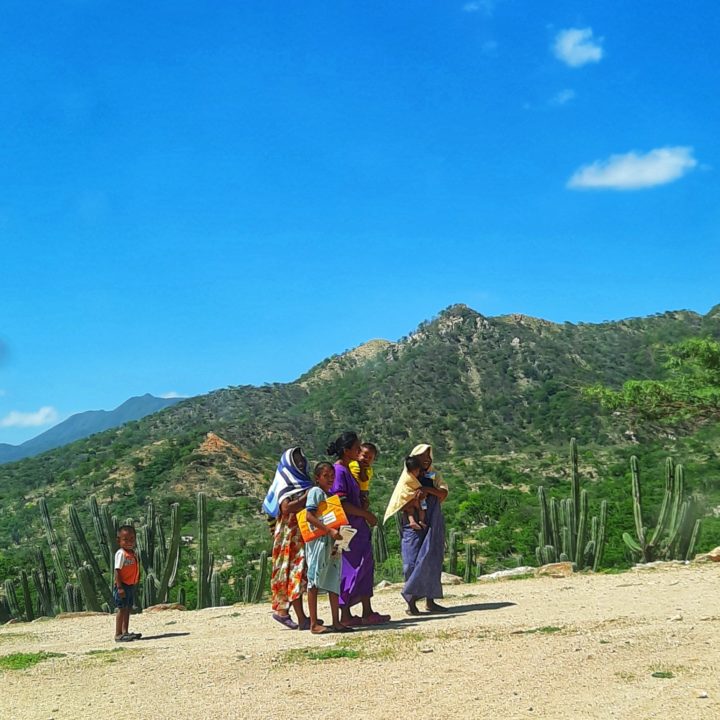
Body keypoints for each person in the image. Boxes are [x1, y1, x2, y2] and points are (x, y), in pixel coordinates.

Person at [328, 431, 391, 626]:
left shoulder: (348, 470)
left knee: (364, 565)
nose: (359, 451)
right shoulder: (339, 471)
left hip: (357, 528)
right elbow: (341, 501)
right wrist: (366, 515)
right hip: (348, 528)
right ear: (347, 451)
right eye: (357, 448)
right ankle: (345, 613)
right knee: (349, 568)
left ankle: (367, 611)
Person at [384, 443, 449, 616]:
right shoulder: (408, 477)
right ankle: (411, 601)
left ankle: (430, 600)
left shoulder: (434, 475)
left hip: (432, 519)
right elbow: (402, 500)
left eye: (429, 456)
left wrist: (427, 489)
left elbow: (443, 493)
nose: (427, 459)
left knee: (432, 559)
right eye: (423, 456)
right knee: (411, 562)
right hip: (411, 524)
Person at [264, 447, 313, 630]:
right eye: (297, 460)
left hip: (302, 534)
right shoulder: (285, 481)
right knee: (295, 574)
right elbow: (286, 508)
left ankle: (286, 613)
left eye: (302, 459)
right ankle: (300, 618)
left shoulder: (303, 481)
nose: (301, 463)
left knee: (296, 575)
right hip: (290, 537)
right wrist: (306, 497)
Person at [304, 462, 354, 634]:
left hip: (331, 543)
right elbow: (309, 516)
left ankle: (336, 621)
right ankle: (313, 623)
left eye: (332, 476)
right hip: (319, 542)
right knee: (314, 581)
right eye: (326, 476)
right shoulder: (315, 492)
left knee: (333, 581)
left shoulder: (330, 496)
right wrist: (328, 530)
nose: (330, 479)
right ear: (317, 478)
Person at [114, 525, 141, 642]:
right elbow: (117, 571)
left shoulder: (132, 553)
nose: (129, 542)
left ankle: (125, 632)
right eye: (125, 540)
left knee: (127, 608)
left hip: (129, 585)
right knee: (121, 609)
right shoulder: (121, 553)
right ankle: (118, 634)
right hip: (122, 585)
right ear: (118, 540)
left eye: (131, 539)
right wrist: (119, 587)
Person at [349, 442, 378, 510]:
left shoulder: (368, 469)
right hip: (351, 488)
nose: (366, 459)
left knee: (360, 507)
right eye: (364, 456)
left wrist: (361, 468)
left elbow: (364, 479)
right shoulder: (352, 463)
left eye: (370, 458)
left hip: (361, 492)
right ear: (358, 454)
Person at [401, 456, 427, 531]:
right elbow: (433, 476)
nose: (417, 473)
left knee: (410, 510)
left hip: (407, 498)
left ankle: (412, 521)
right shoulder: (411, 478)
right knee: (422, 508)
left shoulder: (406, 476)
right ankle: (421, 520)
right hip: (416, 498)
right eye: (416, 471)